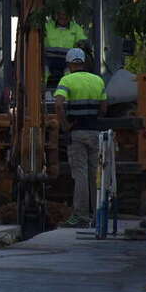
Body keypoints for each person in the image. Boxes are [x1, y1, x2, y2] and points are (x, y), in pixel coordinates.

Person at [53, 48, 107, 227]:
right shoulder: (97, 80)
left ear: (69, 64)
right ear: (83, 62)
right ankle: (97, 213)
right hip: (95, 133)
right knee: (95, 174)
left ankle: (81, 216)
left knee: (80, 175)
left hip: (77, 133)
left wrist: (65, 125)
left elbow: (59, 106)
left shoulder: (66, 80)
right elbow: (104, 106)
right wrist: (95, 119)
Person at [44, 11, 88, 83]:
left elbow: (82, 40)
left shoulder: (76, 28)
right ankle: (41, 92)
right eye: (60, 14)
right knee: (42, 72)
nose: (63, 16)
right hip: (48, 58)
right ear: (56, 15)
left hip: (67, 59)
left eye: (65, 14)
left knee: (70, 74)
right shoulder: (47, 26)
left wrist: (82, 43)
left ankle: (67, 90)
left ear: (70, 16)